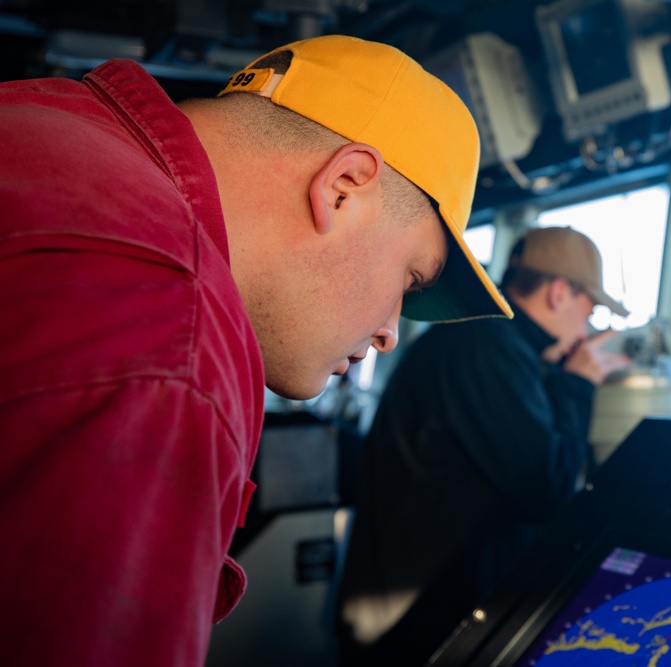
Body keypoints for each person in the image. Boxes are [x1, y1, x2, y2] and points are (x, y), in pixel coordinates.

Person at [0, 35, 510, 666]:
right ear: (344, 186)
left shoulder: (45, 124)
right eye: (410, 281)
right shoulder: (176, 345)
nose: (389, 332)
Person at [336, 226, 632, 666]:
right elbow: (546, 490)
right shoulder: (490, 350)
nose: (588, 325)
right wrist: (578, 384)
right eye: (590, 307)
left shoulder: (473, 338)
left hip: (401, 605)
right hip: (420, 625)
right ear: (557, 293)